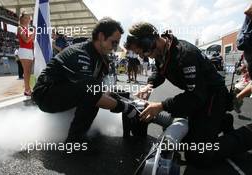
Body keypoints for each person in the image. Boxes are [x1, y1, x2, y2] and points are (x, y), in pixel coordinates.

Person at [125, 22, 252, 167]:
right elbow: (160, 70)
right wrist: (149, 85)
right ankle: (222, 121)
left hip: (213, 97)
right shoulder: (161, 52)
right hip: (199, 96)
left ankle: (247, 134)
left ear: (148, 42)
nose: (141, 56)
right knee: (185, 142)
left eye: (141, 52)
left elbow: (195, 96)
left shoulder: (184, 54)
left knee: (198, 154)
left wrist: (161, 106)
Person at [32, 18, 141, 146]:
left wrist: (127, 101)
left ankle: (82, 131)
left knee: (111, 93)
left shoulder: (101, 58)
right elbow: (92, 92)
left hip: (63, 91)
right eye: (114, 42)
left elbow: (103, 89)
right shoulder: (81, 53)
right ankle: (74, 142)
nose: (115, 47)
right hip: (45, 94)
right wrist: (125, 107)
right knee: (91, 92)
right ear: (101, 36)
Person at [17, 12, 35, 96]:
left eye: (29, 18)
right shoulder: (20, 28)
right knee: (26, 71)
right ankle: (27, 90)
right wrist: (33, 34)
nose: (28, 19)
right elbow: (26, 40)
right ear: (22, 19)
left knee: (29, 71)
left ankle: (28, 89)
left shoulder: (29, 29)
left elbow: (32, 42)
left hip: (30, 51)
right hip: (24, 50)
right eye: (26, 18)